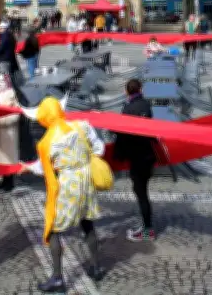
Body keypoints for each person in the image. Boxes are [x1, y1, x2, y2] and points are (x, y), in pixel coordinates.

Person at [21, 97, 105, 292]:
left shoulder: (47, 141)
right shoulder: (82, 126)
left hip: (67, 183)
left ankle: (58, 278)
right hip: (86, 179)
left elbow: (43, 168)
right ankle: (96, 267)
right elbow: (99, 149)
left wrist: (26, 168)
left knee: (53, 230)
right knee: (87, 222)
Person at [115, 79, 158, 242]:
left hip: (137, 158)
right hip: (148, 155)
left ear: (127, 92)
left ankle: (148, 231)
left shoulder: (128, 109)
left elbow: (124, 134)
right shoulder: (146, 105)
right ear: (140, 89)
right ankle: (146, 225)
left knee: (141, 194)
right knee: (141, 191)